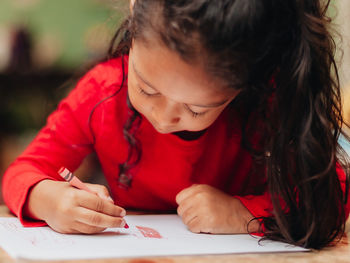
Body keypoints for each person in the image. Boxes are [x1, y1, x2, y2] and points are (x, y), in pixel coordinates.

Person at [2, 0, 350, 249]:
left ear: (245, 87)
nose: (164, 118)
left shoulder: (268, 105)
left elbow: (329, 197)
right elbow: (24, 170)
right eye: (147, 88)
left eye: (197, 109)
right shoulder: (101, 93)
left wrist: (241, 212)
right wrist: (46, 198)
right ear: (134, 10)